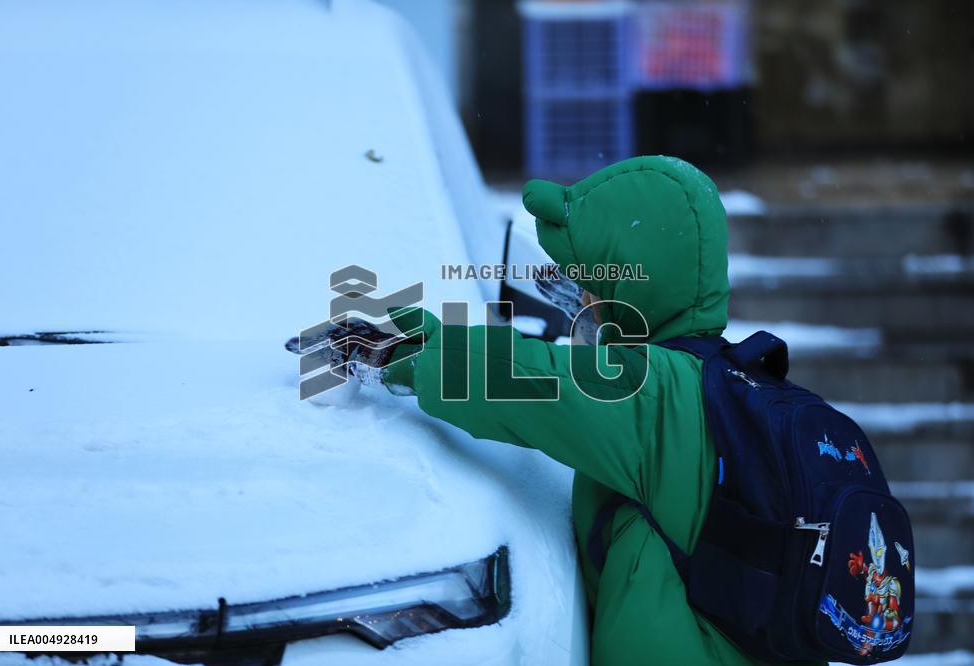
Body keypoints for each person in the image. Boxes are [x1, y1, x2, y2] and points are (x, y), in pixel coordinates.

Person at [315, 156, 817, 665]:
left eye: (591, 286)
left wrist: (407, 355)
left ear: (632, 288)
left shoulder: (650, 394)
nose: (580, 296)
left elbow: (528, 380)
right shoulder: (726, 380)